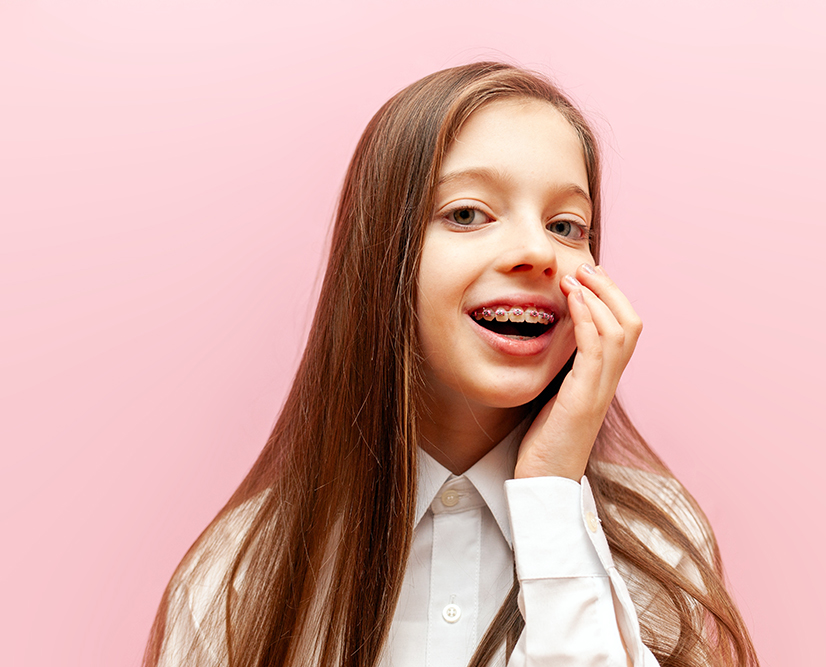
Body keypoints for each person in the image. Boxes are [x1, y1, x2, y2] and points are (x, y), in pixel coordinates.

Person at [144, 61, 758, 667]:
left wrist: (551, 491)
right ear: (384, 261)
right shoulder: (238, 575)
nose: (537, 251)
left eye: (567, 225)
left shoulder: (657, 544)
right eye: (467, 214)